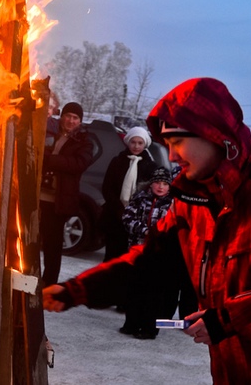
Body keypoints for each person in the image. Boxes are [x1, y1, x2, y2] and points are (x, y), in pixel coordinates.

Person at [43, 77, 251, 384]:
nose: (171, 156)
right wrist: (76, 290)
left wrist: (227, 319)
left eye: (177, 143)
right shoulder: (192, 200)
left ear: (212, 134)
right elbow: (146, 264)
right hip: (232, 370)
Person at [118, 167, 197, 339]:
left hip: (160, 255)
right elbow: (127, 217)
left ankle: (149, 328)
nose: (160, 187)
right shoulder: (140, 198)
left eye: (164, 184)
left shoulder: (173, 204)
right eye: (157, 183)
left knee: (154, 293)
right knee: (134, 289)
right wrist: (144, 230)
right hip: (138, 251)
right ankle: (131, 323)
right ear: (150, 183)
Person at [39, 102, 93, 287]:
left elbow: (78, 163)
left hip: (58, 200)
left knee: (52, 244)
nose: (71, 120)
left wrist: (50, 160)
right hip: (38, 195)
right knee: (31, 240)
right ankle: (29, 278)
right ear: (61, 117)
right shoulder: (48, 132)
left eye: (75, 118)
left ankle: (48, 283)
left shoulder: (84, 141)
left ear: (80, 121)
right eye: (68, 116)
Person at [100, 126, 158, 262]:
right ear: (128, 142)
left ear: (145, 144)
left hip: (136, 220)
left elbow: (151, 194)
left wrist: (134, 211)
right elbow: (107, 188)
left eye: (140, 143)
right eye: (133, 142)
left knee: (129, 259)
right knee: (111, 257)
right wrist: (119, 209)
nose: (136, 146)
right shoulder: (117, 161)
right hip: (115, 216)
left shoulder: (151, 166)